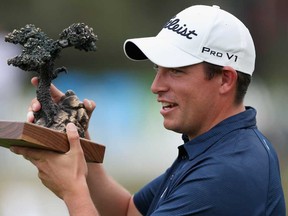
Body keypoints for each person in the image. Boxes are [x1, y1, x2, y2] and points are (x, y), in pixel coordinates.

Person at [10, 5, 285, 216]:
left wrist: (73, 189)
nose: (156, 86)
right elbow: (130, 211)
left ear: (225, 79)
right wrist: (79, 147)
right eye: (158, 69)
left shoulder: (227, 172)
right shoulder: (216, 148)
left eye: (176, 71)